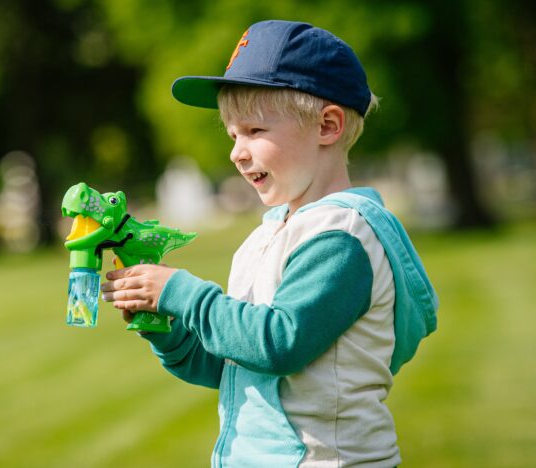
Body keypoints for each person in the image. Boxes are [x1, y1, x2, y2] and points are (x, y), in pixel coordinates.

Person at [101, 20, 437, 467]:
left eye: (255, 131)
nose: (237, 152)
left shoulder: (340, 237)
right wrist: (164, 325)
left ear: (328, 126)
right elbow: (232, 363)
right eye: (232, 135)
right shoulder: (267, 236)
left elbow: (278, 343)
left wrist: (179, 291)